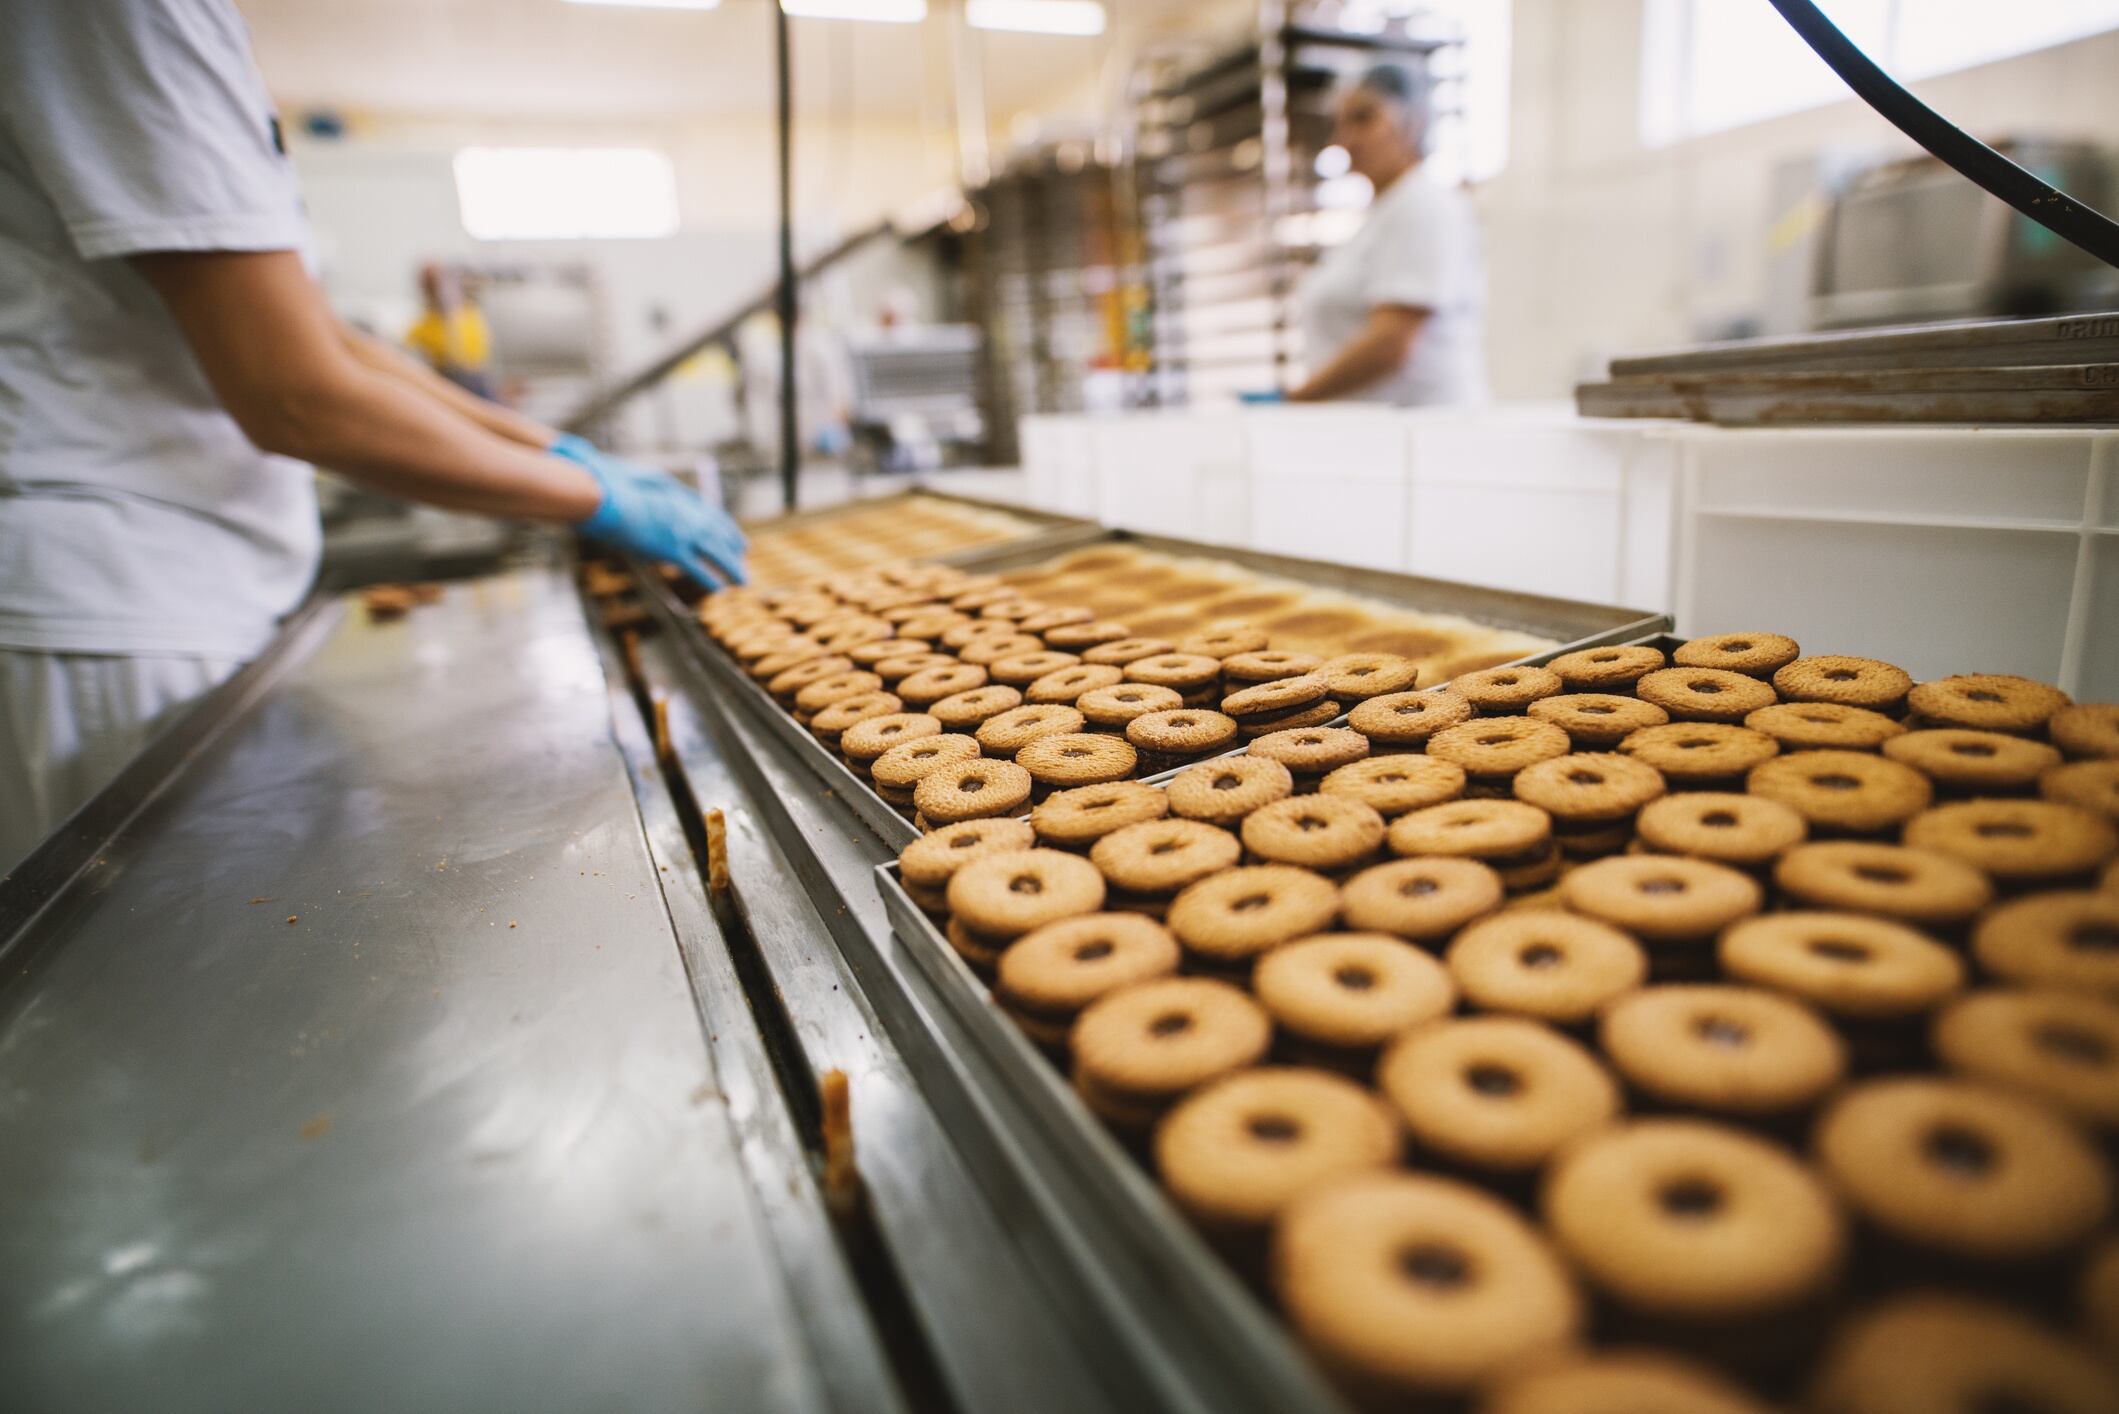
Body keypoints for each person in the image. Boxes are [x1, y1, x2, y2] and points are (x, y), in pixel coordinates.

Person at [0, 0, 747, 873]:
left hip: (183, 575)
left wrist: (554, 452)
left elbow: (325, 341)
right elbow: (294, 394)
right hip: (120, 591)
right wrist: (590, 497)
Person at [1289, 63, 1488, 406]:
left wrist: (1297, 399)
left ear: (1413, 123)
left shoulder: (1423, 204)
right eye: (1341, 124)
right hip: (1385, 434)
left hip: (1427, 432)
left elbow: (1391, 343)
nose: (1346, 139)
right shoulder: (1380, 216)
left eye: (1364, 118)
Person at [405, 262, 498, 399]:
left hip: (478, 380)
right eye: (432, 284)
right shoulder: (421, 327)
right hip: (448, 384)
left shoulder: (471, 314)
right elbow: (453, 361)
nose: (438, 289)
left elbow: (475, 360)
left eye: (441, 282)